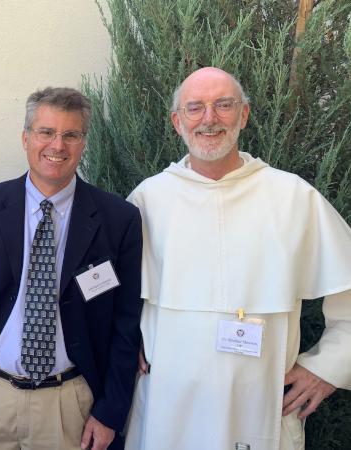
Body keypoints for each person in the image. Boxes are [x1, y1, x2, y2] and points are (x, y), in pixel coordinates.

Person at [125, 67, 351, 450]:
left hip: (259, 408)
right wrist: (128, 343)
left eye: (223, 106)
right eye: (195, 108)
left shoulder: (293, 197)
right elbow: (114, 300)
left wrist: (327, 369)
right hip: (169, 412)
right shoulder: (147, 200)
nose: (209, 119)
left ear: (243, 115)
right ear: (177, 121)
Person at [0, 87, 144, 450]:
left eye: (71, 135)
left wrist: (110, 411)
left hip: (71, 407)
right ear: (26, 137)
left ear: (83, 142)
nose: (57, 145)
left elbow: (125, 327)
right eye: (46, 132)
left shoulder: (118, 220)